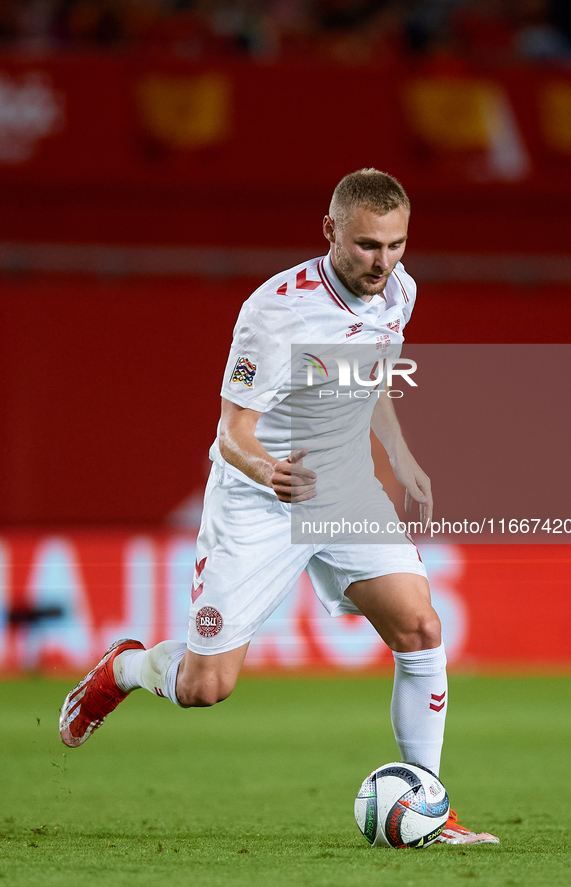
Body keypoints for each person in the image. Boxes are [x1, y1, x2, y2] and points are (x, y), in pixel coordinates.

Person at [59, 169, 499, 846]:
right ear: (329, 232)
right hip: (260, 498)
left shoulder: (398, 292)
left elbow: (370, 378)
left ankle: (428, 803)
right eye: (366, 246)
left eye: (395, 245)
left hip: (344, 488)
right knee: (206, 685)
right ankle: (122, 667)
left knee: (419, 627)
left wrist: (400, 455)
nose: (382, 262)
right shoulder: (275, 312)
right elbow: (231, 432)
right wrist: (271, 471)